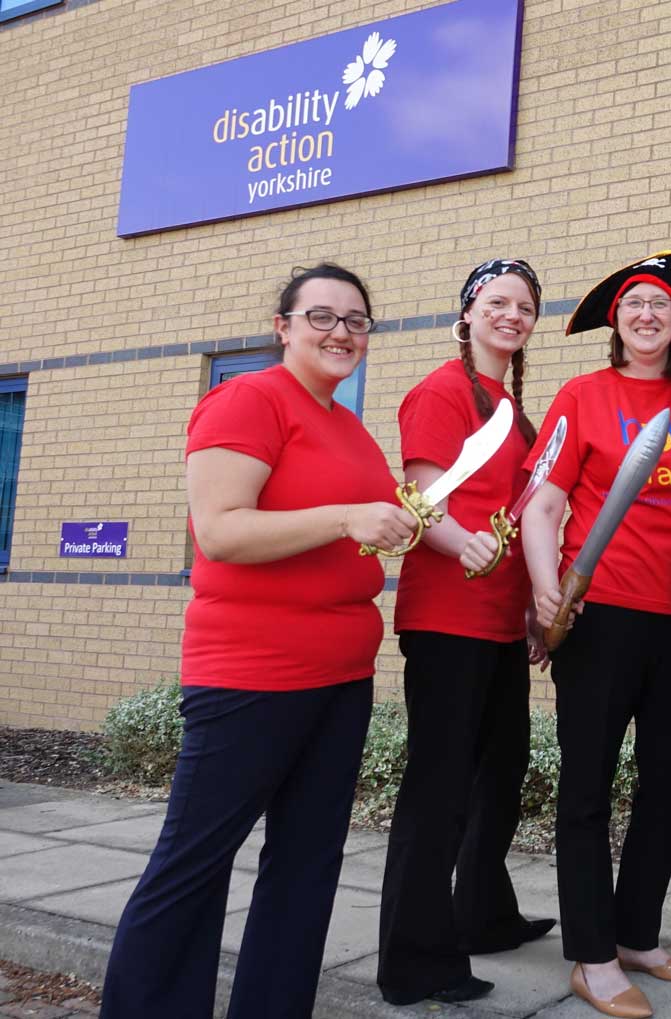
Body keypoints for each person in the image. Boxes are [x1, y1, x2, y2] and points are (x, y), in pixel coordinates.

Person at [100, 264, 418, 1018]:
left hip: (339, 677)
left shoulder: (346, 424)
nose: (341, 332)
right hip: (251, 675)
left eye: (356, 320)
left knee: (306, 868)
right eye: (322, 316)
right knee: (193, 866)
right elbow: (221, 529)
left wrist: (389, 526)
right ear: (283, 326)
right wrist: (348, 517)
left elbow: (347, 530)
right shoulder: (246, 399)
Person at [521, 251, 671, 1019]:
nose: (648, 316)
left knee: (669, 785)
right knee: (587, 788)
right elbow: (542, 505)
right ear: (616, 318)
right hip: (599, 613)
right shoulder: (584, 394)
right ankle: (592, 952)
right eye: (635, 304)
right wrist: (547, 595)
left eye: (662, 307)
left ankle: (638, 931)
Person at [376, 258, 556, 1006]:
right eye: (498, 302)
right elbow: (424, 495)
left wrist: (529, 610)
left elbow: (526, 516)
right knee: (440, 789)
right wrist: (460, 543)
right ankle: (413, 960)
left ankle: (481, 911)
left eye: (525, 307)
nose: (512, 315)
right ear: (468, 312)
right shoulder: (440, 390)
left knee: (503, 769)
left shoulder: (513, 408)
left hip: (498, 621)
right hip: (446, 615)